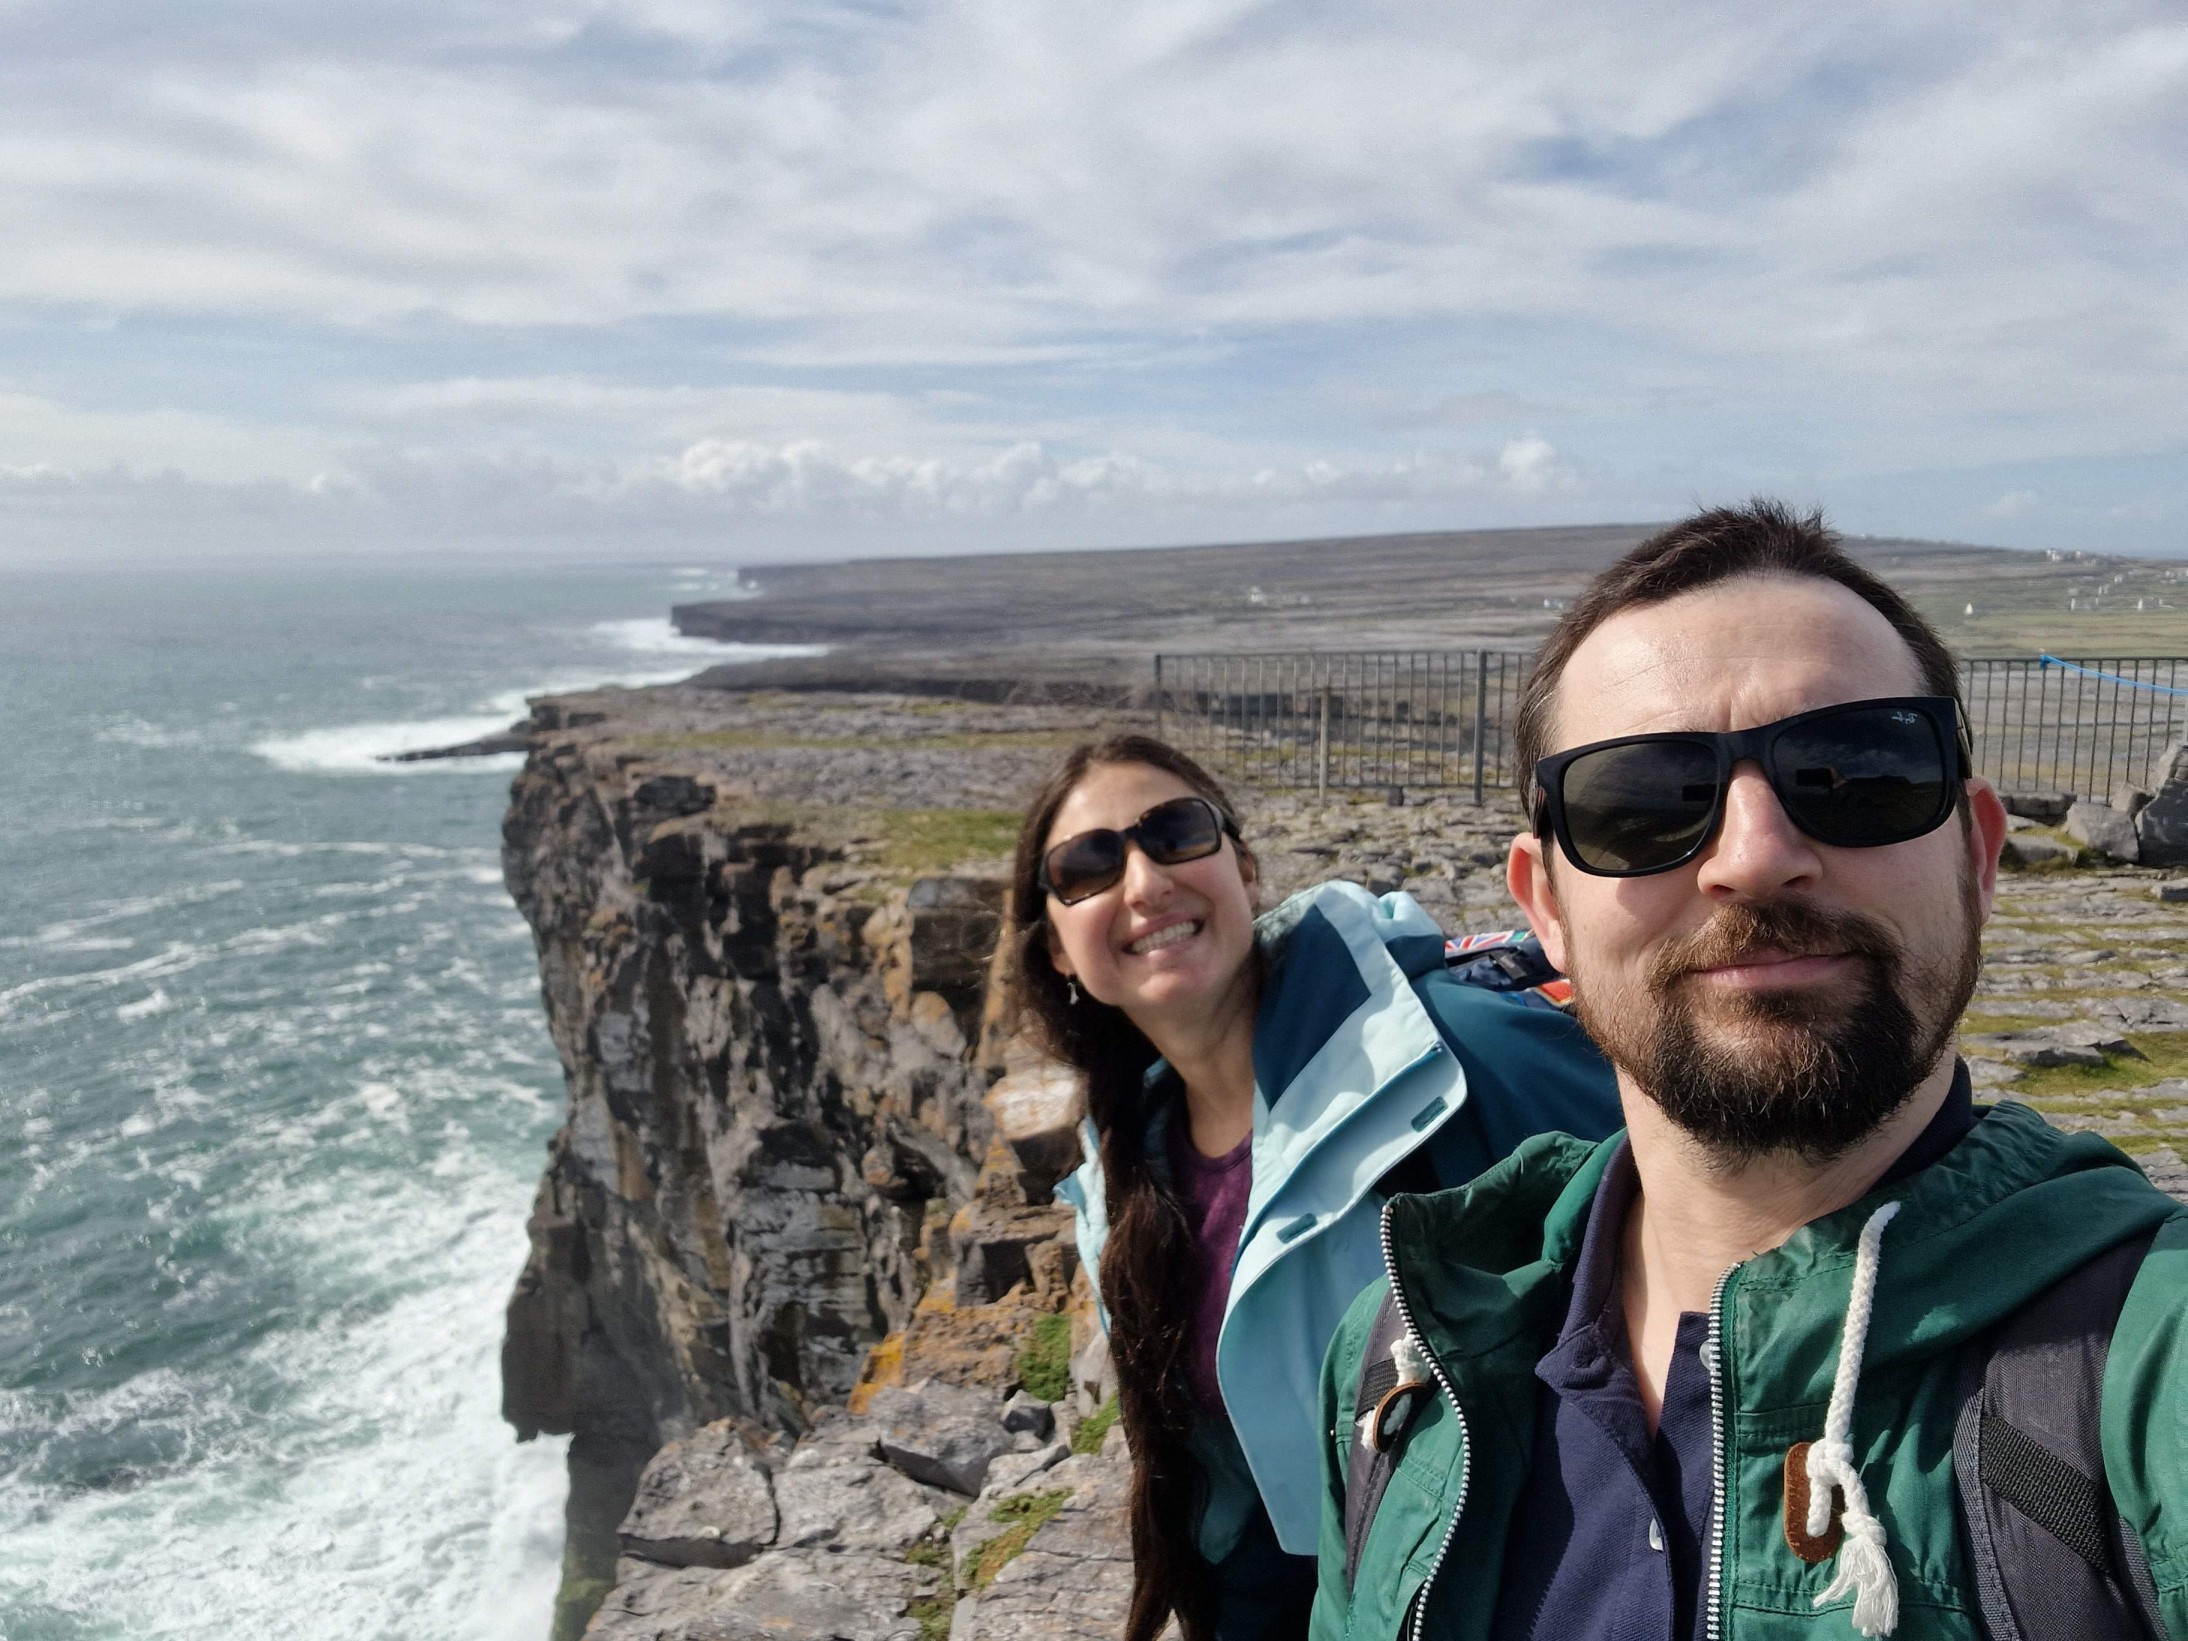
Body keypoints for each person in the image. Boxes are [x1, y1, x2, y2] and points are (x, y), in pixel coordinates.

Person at [1312, 502, 2188, 1641]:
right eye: (1641, 804)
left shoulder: (2145, 1363)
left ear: (1977, 856)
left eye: (1859, 773)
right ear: (1546, 913)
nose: (1756, 857)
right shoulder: (1402, 1366)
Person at [1010, 734, 1620, 1641]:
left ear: (1245, 872)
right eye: (1088, 866)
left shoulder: (1452, 1049)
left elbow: (1699, 1213)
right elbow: (1234, 1487)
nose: (1142, 883)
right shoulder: (1129, 1167)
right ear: (1058, 949)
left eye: (1175, 833)